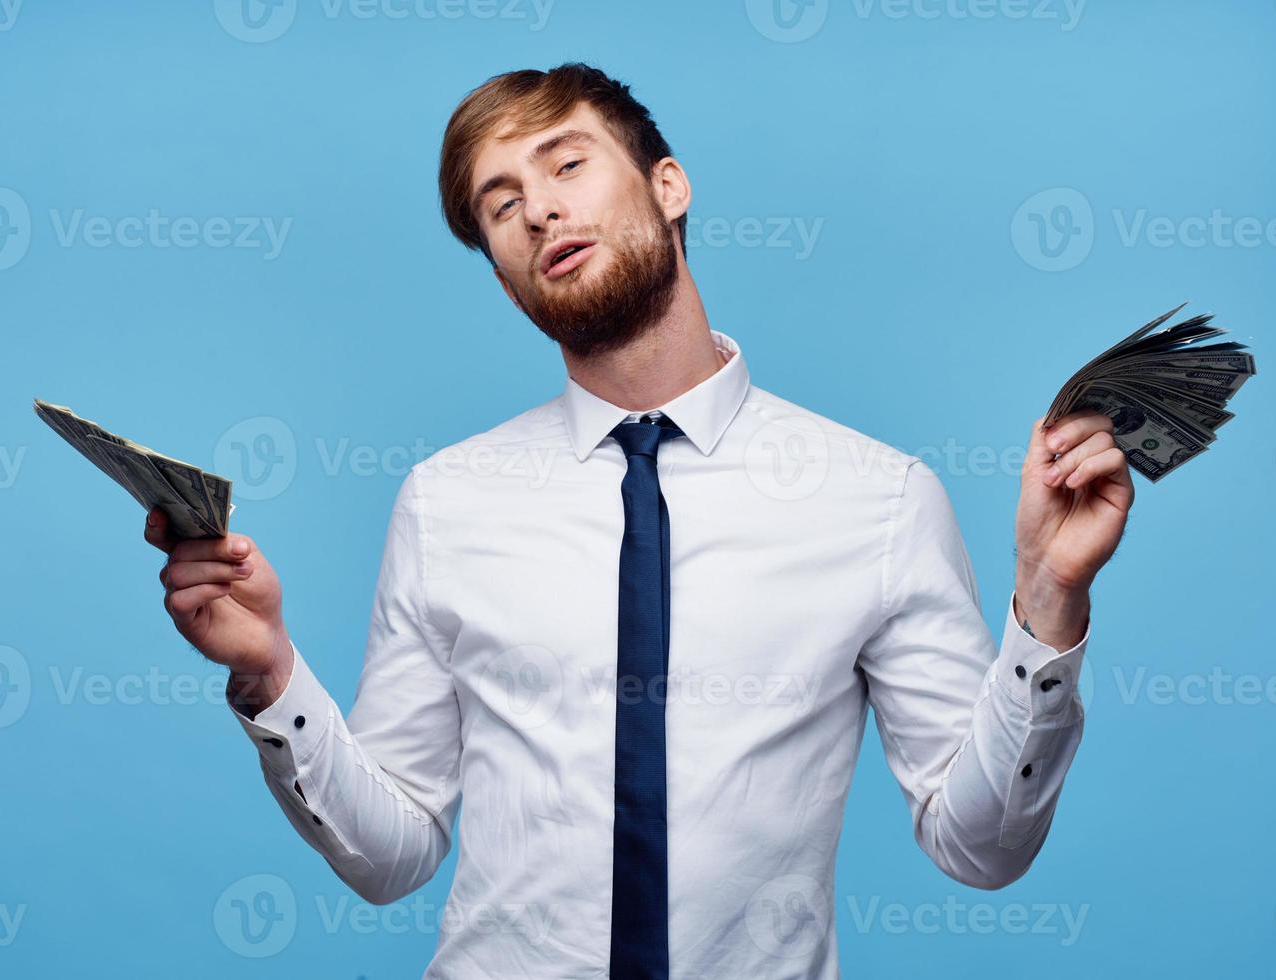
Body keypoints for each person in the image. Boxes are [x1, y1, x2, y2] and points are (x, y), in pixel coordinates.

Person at [143, 63, 1133, 979]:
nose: (538, 208)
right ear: (501, 274)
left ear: (667, 186)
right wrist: (268, 670)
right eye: (500, 205)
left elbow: (980, 844)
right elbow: (390, 855)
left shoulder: (874, 496)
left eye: (566, 162)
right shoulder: (446, 501)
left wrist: (1046, 603)